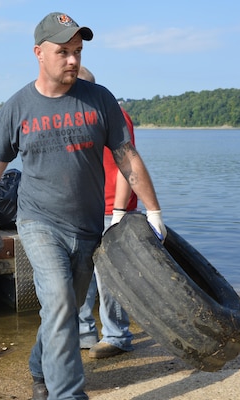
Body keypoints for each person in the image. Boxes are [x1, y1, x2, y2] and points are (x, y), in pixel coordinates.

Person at [0, 12, 167, 400]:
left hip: (87, 227)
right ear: (38, 53)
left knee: (60, 311)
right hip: (38, 221)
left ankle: (39, 367)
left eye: (77, 51)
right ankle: (68, 393)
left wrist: (153, 212)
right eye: (63, 51)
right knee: (62, 301)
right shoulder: (18, 106)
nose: (72, 60)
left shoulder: (99, 100)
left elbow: (126, 156)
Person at [76, 66, 138, 359]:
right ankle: (84, 333)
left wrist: (118, 212)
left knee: (109, 277)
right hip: (86, 208)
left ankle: (117, 336)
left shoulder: (114, 113)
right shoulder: (76, 117)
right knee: (82, 274)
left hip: (111, 208)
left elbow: (127, 167)